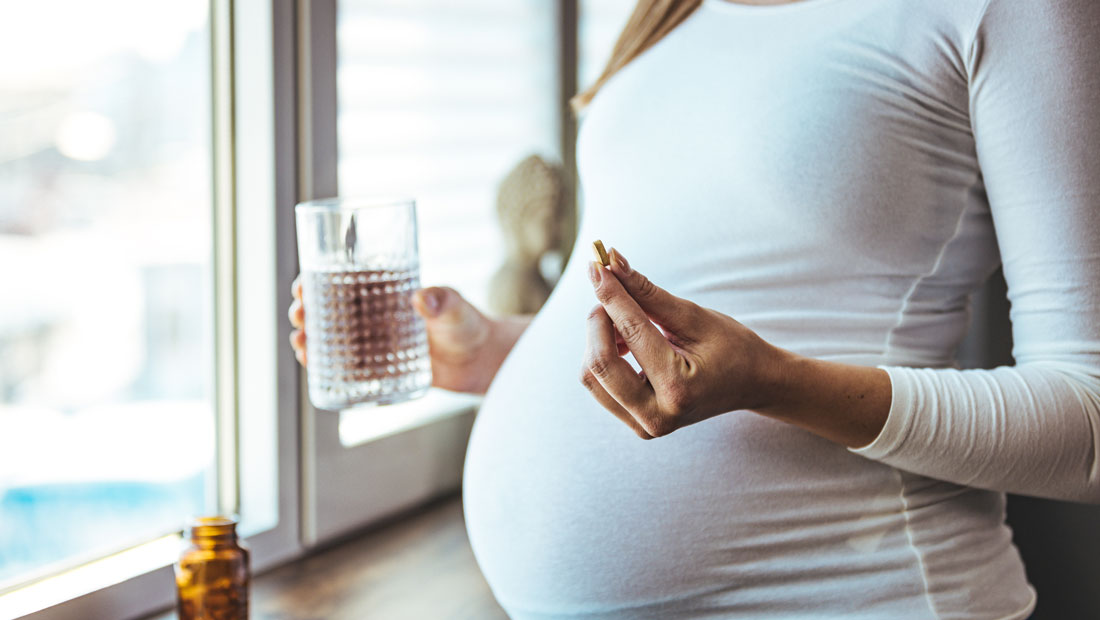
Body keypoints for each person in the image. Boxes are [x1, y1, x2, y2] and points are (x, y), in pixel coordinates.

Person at [290, 0, 1100, 616]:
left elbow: (1091, 423)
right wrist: (500, 353)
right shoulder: (664, 15)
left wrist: (772, 381)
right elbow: (699, 310)